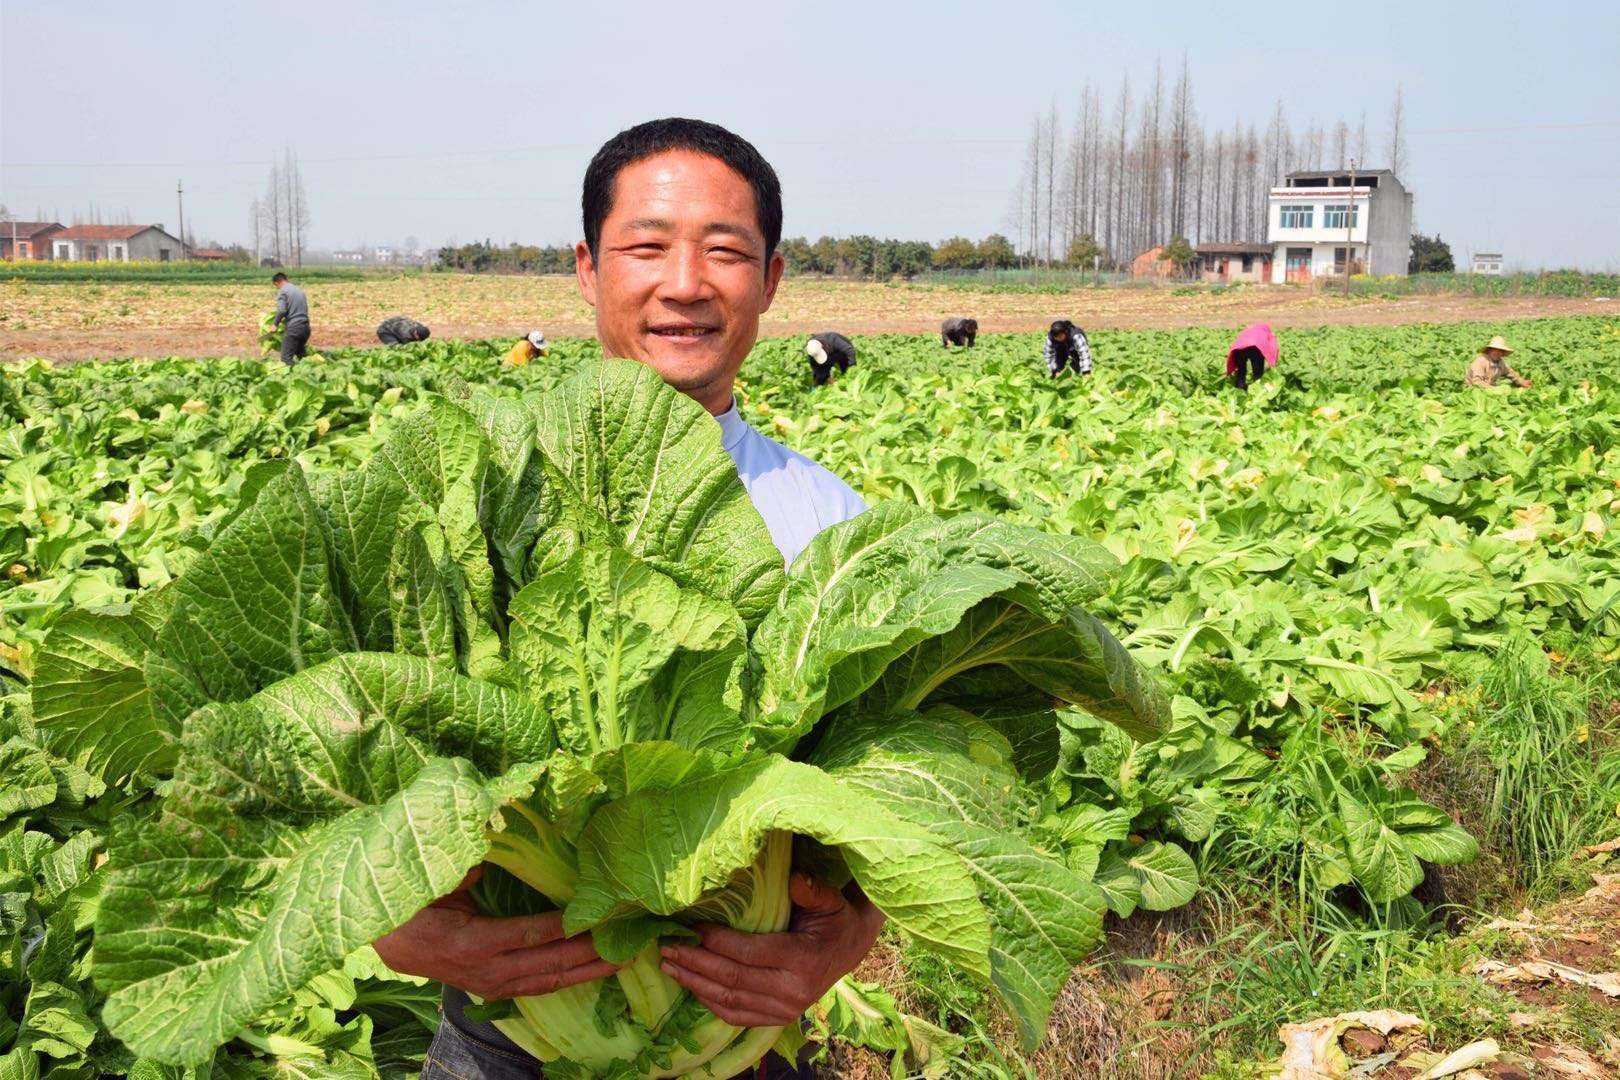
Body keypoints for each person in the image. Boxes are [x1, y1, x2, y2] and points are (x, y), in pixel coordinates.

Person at [376, 118, 875, 1080]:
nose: (684, 283)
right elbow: (334, 723)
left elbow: (898, 760)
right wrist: (393, 925)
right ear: (587, 268)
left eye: (725, 251)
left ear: (771, 280)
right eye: (646, 247)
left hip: (741, 1038)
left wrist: (849, 934)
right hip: (514, 1033)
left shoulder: (832, 523)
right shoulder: (467, 485)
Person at [270, 272, 310, 365]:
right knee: (302, 357)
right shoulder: (299, 290)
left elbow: (281, 310)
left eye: (276, 286)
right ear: (286, 279)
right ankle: (309, 372)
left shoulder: (283, 291)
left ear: (276, 283)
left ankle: (293, 374)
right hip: (305, 328)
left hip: (294, 329)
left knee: (286, 359)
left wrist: (275, 324)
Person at [1226, 321, 1278, 391]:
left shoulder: (1247, 330)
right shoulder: (1267, 333)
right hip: (1254, 348)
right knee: (1257, 372)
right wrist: (1272, 362)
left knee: (1241, 370)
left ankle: (1239, 389)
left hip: (1239, 349)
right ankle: (1256, 389)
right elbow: (1273, 347)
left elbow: (1237, 341)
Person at [1465, 335, 1531, 388]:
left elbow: (1510, 373)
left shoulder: (1500, 362)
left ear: (1503, 352)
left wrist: (1522, 382)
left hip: (1489, 389)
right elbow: (1477, 382)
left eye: (1500, 350)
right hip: (1472, 391)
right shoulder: (1480, 361)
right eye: (1495, 349)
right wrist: (1495, 390)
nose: (1497, 352)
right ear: (1489, 350)